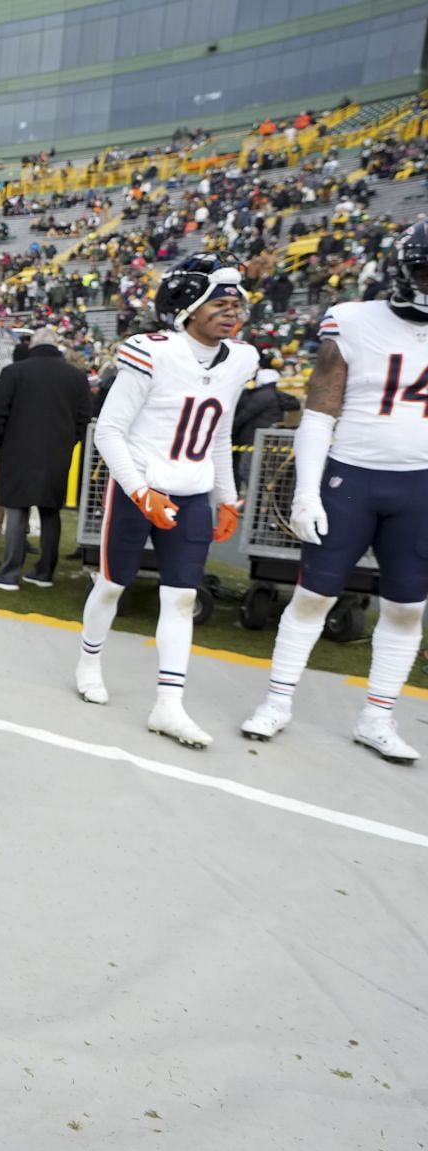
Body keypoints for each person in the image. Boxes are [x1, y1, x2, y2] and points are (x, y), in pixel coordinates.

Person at [241, 222, 428, 762]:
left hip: (419, 487)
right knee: (314, 595)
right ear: (401, 269)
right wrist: (306, 492)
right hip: (354, 477)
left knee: (406, 608)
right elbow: (320, 411)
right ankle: (277, 702)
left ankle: (379, 716)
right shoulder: (352, 320)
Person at [73, 253, 257, 748]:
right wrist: (140, 491)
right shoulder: (151, 351)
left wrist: (228, 498)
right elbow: (109, 431)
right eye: (218, 301)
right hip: (139, 487)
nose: (230, 310)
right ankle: (89, 661)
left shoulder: (241, 359)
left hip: (194, 492)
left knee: (181, 598)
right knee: (112, 584)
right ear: (188, 305)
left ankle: (169, 704)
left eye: (234, 301)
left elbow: (219, 434)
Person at [0, 327, 93, 590]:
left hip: (15, 450)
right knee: (50, 511)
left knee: (17, 509)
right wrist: (69, 441)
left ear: (33, 345)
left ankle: (10, 572)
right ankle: (44, 571)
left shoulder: (14, 372)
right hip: (58, 452)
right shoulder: (77, 377)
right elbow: (84, 417)